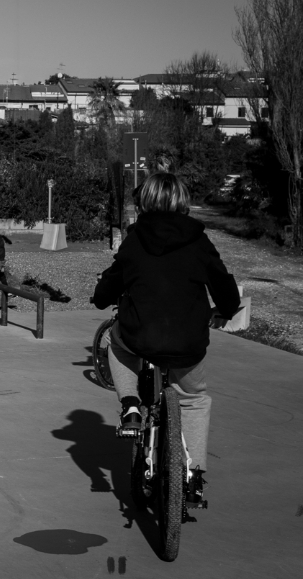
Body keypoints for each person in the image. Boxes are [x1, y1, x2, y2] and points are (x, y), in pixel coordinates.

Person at [91, 169, 240, 505]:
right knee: (194, 400)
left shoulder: (134, 239)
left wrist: (101, 296)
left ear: (145, 201)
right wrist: (224, 311)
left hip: (140, 337)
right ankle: (194, 477)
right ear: (182, 201)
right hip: (188, 343)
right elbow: (224, 285)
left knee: (117, 343)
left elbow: (108, 288)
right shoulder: (199, 241)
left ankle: (130, 405)